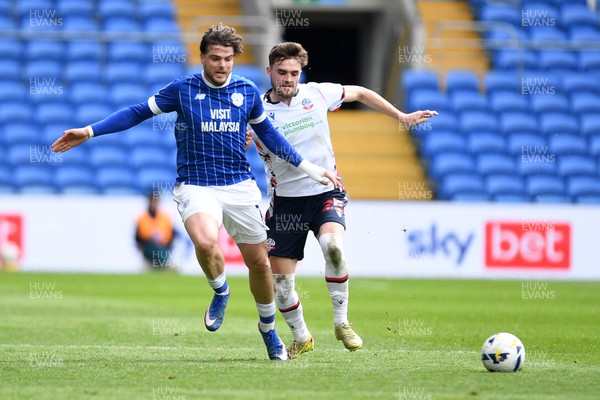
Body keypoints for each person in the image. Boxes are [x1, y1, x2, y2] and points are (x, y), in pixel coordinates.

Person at [51, 25, 339, 361]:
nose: (222, 65)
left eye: (228, 59)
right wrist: (89, 131)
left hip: (239, 186)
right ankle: (221, 291)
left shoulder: (246, 92)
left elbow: (272, 138)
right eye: (215, 58)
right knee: (205, 241)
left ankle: (268, 331)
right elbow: (136, 112)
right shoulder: (183, 89)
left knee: (260, 265)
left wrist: (310, 169)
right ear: (202, 57)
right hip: (196, 185)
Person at [251, 42, 437, 359]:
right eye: (281, 72)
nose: (288, 79)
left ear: (301, 73)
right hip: (285, 203)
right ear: (269, 72)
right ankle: (301, 336)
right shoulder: (256, 111)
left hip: (326, 192)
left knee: (333, 248)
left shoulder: (317, 94)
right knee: (281, 285)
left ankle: (342, 322)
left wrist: (400, 116)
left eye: (294, 73)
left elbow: (361, 93)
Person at [135, 191, 175, 270]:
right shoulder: (142, 218)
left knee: (161, 251)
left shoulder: (165, 218)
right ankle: (165, 264)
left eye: (156, 201)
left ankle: (163, 262)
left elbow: (171, 237)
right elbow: (138, 238)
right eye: (152, 201)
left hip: (163, 248)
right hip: (148, 252)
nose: (154, 204)